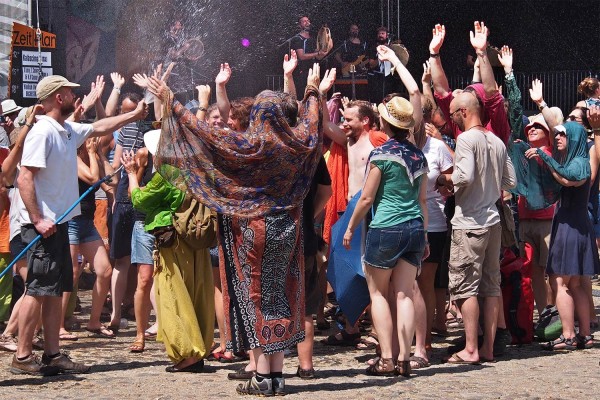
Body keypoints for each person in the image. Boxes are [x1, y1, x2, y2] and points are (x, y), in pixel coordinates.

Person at [147, 62, 334, 395]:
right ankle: (276, 375)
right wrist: (312, 89)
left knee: (258, 298)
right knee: (282, 297)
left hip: (254, 231)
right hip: (288, 229)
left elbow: (201, 131)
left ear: (258, 117)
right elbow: (311, 120)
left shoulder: (249, 148)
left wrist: (170, 100)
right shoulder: (298, 147)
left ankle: (263, 378)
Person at [12, 75, 147, 376]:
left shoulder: (66, 129)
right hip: (43, 227)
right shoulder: (42, 132)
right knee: (36, 290)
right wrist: (37, 219)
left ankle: (52, 354)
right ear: (58, 97)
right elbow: (24, 178)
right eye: (71, 92)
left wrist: (134, 115)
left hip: (59, 223)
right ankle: (22, 356)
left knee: (52, 290)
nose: (77, 95)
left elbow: (100, 127)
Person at [343, 96, 428, 377]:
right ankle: (405, 358)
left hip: (386, 227)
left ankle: (387, 358)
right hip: (415, 227)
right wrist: (424, 236)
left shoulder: (381, 154)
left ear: (385, 123)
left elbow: (367, 198)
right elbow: (423, 201)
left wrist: (351, 227)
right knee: (404, 294)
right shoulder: (419, 156)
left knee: (378, 293)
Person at [122, 130, 215, 372]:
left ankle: (187, 352)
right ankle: (199, 347)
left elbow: (139, 200)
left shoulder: (166, 174)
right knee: (197, 292)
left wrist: (132, 174)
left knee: (173, 294)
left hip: (173, 239)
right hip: (196, 235)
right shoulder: (197, 168)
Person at [437, 91, 516, 364]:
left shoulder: (466, 139)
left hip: (469, 222)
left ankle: (471, 348)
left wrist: (444, 178)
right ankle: (488, 349)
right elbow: (511, 181)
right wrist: (490, 186)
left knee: (464, 287)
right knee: (492, 286)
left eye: (453, 114)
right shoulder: (496, 140)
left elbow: (464, 175)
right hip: (493, 222)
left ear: (464, 112)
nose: (452, 119)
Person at [524, 122, 599, 350]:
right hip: (573, 225)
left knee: (561, 282)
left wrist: (543, 156)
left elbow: (568, 179)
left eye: (563, 135)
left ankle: (568, 334)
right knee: (575, 283)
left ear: (574, 138)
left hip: (572, 226)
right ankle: (584, 335)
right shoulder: (574, 160)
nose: (558, 138)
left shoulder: (579, 163)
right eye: (557, 134)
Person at [290, 15, 326, 98]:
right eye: (304, 21)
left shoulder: (313, 39)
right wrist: (317, 53)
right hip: (301, 73)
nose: (307, 23)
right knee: (302, 96)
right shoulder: (297, 39)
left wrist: (326, 51)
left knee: (313, 96)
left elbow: (318, 57)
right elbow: (301, 56)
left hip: (313, 71)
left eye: (308, 21)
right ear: (299, 25)